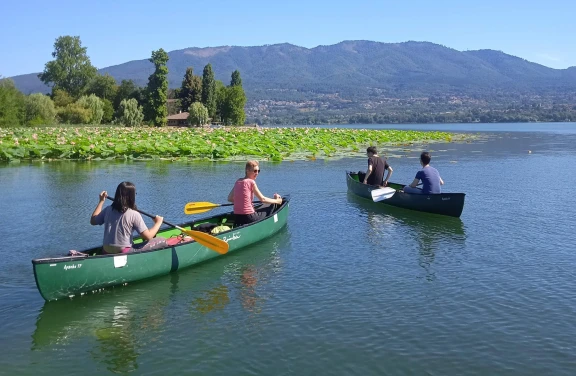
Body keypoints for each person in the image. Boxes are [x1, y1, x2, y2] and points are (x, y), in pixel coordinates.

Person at [90, 181, 165, 254]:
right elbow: (148, 236)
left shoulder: (108, 209)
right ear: (131, 196)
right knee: (161, 240)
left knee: (132, 241)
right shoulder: (134, 214)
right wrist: (158, 222)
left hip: (106, 251)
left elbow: (93, 221)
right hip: (123, 252)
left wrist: (101, 201)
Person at [227, 160, 282, 226]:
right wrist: (277, 201)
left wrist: (243, 202)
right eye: (254, 171)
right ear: (247, 170)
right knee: (270, 207)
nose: (257, 173)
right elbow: (263, 199)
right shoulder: (251, 182)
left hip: (238, 217)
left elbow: (229, 198)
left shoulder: (238, 181)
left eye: (258, 171)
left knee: (259, 209)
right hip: (250, 217)